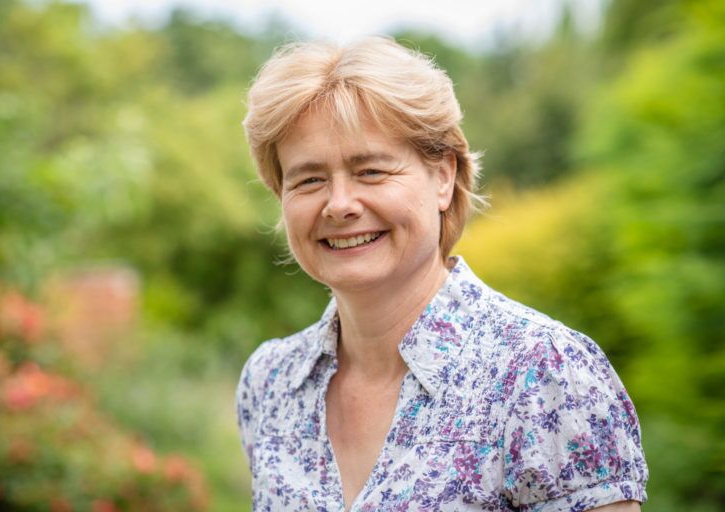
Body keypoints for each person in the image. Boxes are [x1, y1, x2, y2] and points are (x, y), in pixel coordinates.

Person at [236, 36, 648, 511]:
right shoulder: (270, 383)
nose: (340, 204)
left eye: (370, 171)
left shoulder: (544, 374)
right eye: (309, 179)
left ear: (443, 177)